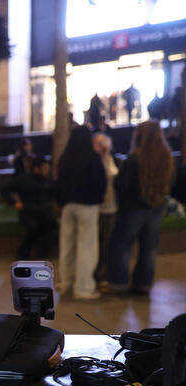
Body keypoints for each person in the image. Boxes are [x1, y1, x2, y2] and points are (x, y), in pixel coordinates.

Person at [107, 121, 175, 295]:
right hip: (157, 207)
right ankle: (143, 284)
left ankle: (119, 283)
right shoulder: (167, 158)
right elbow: (171, 182)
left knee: (121, 245)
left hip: (133, 208)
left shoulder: (134, 159)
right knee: (149, 248)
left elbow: (122, 184)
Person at [55, 124, 106, 300]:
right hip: (88, 206)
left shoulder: (65, 157)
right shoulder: (92, 157)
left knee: (67, 245)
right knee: (87, 246)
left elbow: (58, 183)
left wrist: (61, 201)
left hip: (68, 206)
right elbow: (101, 182)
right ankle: (83, 287)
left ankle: (66, 282)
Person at [1, 157, 57, 260]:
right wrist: (14, 202)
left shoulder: (48, 180)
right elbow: (4, 189)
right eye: (45, 168)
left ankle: (41, 251)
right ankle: (22, 253)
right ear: (37, 168)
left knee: (50, 224)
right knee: (32, 227)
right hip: (27, 211)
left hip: (44, 211)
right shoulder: (24, 179)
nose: (47, 170)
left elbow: (53, 193)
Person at [92, 132, 119, 286]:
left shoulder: (114, 160)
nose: (102, 146)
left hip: (112, 208)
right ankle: (95, 274)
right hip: (96, 209)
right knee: (96, 244)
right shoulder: (92, 162)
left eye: (104, 142)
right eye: (98, 143)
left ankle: (104, 275)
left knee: (107, 244)